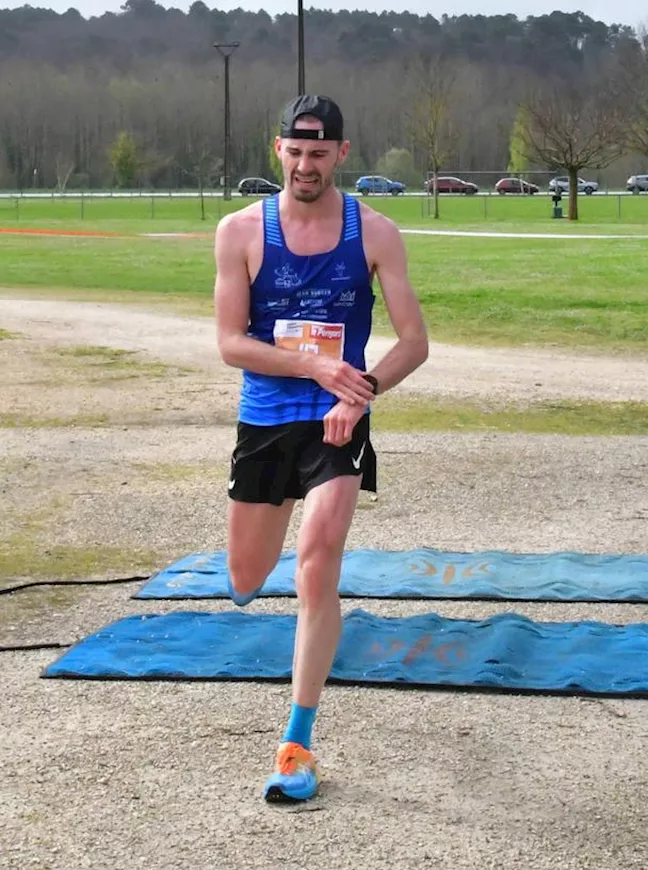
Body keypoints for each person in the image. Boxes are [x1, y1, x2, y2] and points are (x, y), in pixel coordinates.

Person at [213, 94, 431, 802]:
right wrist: (311, 365)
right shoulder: (241, 231)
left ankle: (296, 744)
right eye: (295, 153)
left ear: (342, 153)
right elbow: (230, 343)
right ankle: (253, 573)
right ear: (278, 150)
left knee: (317, 564)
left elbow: (414, 342)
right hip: (267, 417)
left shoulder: (376, 233)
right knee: (248, 575)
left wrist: (357, 391)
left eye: (320, 153)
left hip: (341, 418)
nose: (307, 166)